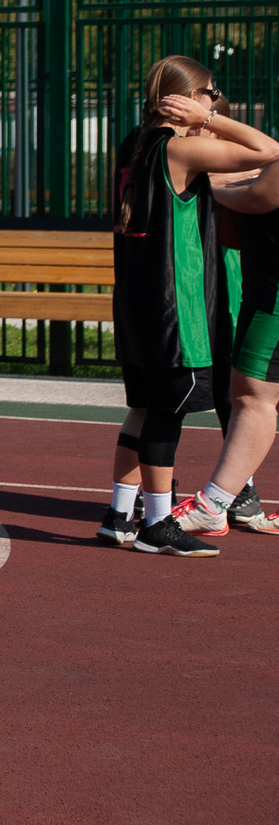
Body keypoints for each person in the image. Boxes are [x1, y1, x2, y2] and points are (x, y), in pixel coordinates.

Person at [98, 58, 279, 553]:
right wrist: (211, 120)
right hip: (174, 304)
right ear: (186, 99)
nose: (213, 99)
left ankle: (119, 514)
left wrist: (202, 115)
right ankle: (159, 524)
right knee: (167, 409)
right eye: (209, 92)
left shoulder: (134, 143)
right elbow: (269, 151)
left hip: (138, 302)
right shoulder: (180, 148)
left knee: (143, 407)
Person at [159, 159, 279, 543]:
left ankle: (213, 505)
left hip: (274, 293)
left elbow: (263, 195)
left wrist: (212, 184)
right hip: (264, 283)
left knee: (252, 398)